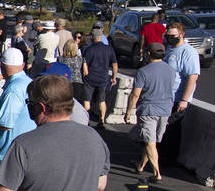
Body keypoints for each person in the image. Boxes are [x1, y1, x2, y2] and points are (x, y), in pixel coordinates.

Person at [124, 42, 178, 182]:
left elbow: (135, 94)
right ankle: (141, 166)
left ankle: (157, 174)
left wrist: (129, 112)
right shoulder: (171, 71)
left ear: (148, 54)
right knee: (152, 141)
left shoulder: (143, 72)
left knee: (150, 142)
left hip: (148, 110)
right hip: (165, 110)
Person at [0, 47, 35, 169]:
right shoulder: (28, 82)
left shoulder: (14, 89)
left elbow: (5, 123)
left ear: (1, 66)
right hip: (24, 148)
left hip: (10, 154)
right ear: (22, 65)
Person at [158, 20, 201, 165]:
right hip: (165, 96)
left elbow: (192, 76)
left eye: (173, 35)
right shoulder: (170, 49)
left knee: (172, 130)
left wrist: (184, 99)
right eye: (168, 35)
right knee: (163, 129)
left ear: (181, 35)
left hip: (177, 98)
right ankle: (159, 157)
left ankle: (168, 160)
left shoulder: (188, 52)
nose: (169, 38)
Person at [81, 28, 118, 127]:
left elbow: (85, 64)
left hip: (90, 78)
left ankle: (86, 119)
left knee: (87, 99)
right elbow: (114, 64)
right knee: (102, 100)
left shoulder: (89, 49)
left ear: (92, 37)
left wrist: (85, 75)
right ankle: (102, 120)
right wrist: (114, 77)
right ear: (101, 37)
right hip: (103, 78)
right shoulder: (109, 49)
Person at [57, 40, 85, 105]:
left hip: (64, 83)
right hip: (77, 82)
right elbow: (85, 71)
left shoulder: (60, 59)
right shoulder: (80, 59)